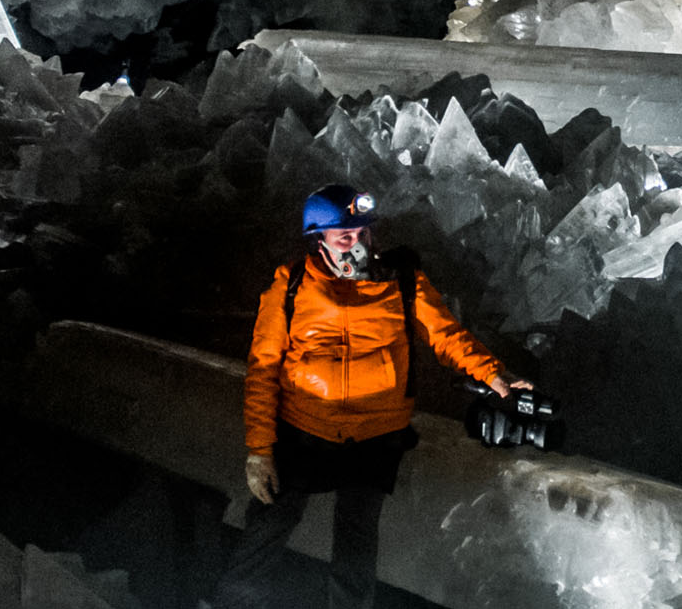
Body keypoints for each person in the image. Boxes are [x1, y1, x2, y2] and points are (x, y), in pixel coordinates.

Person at [211, 184, 531, 608]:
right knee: (269, 523)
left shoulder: (401, 281)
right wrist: (259, 450)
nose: (356, 242)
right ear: (318, 240)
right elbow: (263, 368)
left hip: (375, 436)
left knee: (357, 540)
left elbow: (446, 335)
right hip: (305, 429)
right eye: (344, 235)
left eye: (362, 232)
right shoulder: (290, 287)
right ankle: (236, 604)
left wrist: (494, 374)